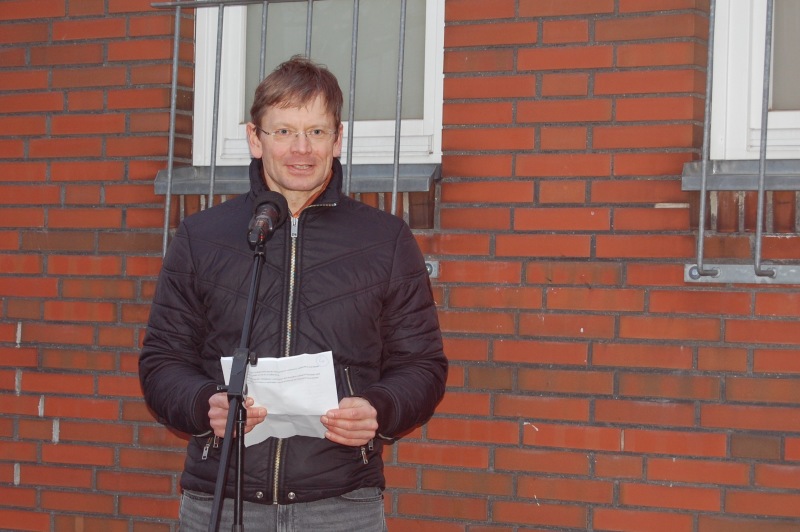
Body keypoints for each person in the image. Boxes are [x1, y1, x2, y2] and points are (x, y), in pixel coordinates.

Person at [138, 55, 447, 531]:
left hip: (341, 504)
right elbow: (161, 361)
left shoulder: (385, 240)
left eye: (316, 132)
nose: (301, 149)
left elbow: (423, 365)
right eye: (283, 131)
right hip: (220, 501)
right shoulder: (202, 237)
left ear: (338, 139)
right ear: (253, 138)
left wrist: (379, 409)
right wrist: (205, 404)